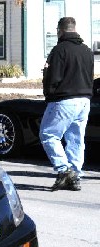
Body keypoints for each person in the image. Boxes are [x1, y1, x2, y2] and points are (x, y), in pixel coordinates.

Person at [40, 16, 94, 191]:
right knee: (75, 139)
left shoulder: (59, 50)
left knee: (48, 135)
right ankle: (75, 175)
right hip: (85, 101)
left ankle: (64, 170)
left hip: (64, 100)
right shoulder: (87, 51)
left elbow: (52, 78)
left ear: (60, 30)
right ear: (74, 29)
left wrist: (49, 95)